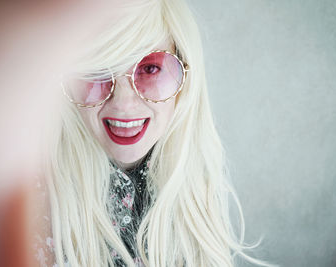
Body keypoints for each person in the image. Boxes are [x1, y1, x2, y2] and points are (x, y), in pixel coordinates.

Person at [34, 0, 274, 266]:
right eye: (97, 71)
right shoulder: (29, 209)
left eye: (150, 68)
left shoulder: (199, 194)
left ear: (185, 77)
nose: (123, 104)